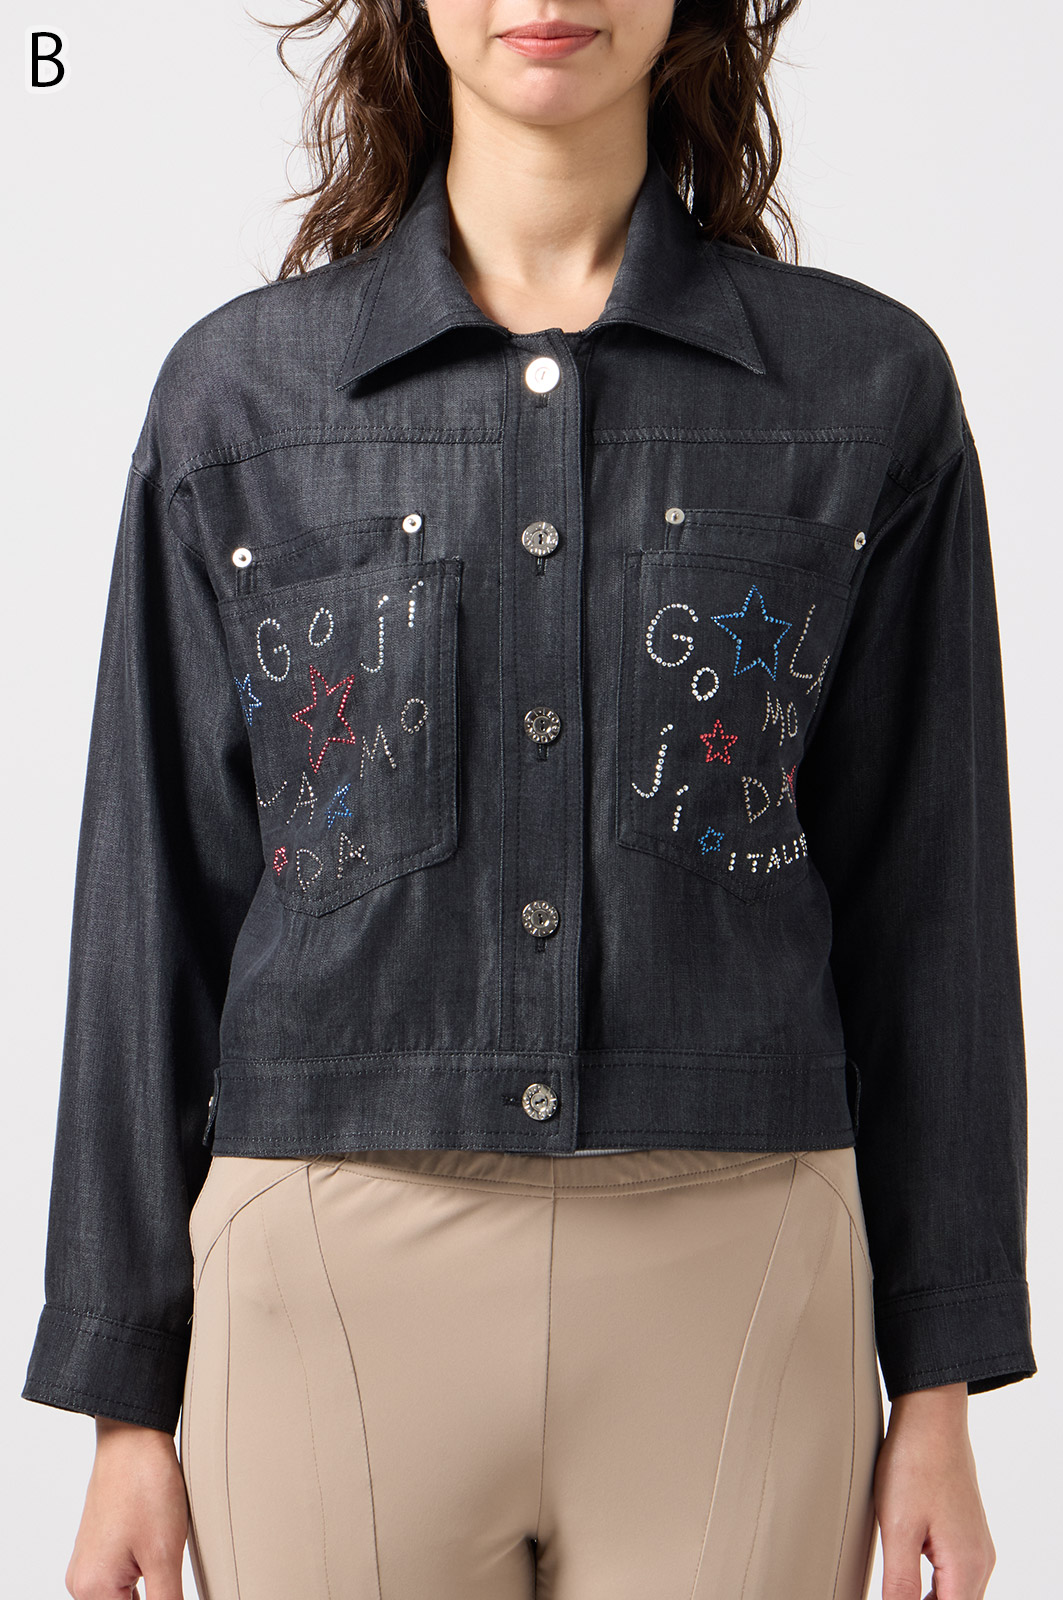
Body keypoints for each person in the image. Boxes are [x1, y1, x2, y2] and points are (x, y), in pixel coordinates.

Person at [22, 3, 1036, 1598]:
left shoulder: (864, 390)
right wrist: (120, 1402)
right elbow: (150, 899)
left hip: (739, 1281)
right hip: (327, 1289)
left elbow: (934, 905)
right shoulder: (243, 399)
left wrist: (941, 1384)